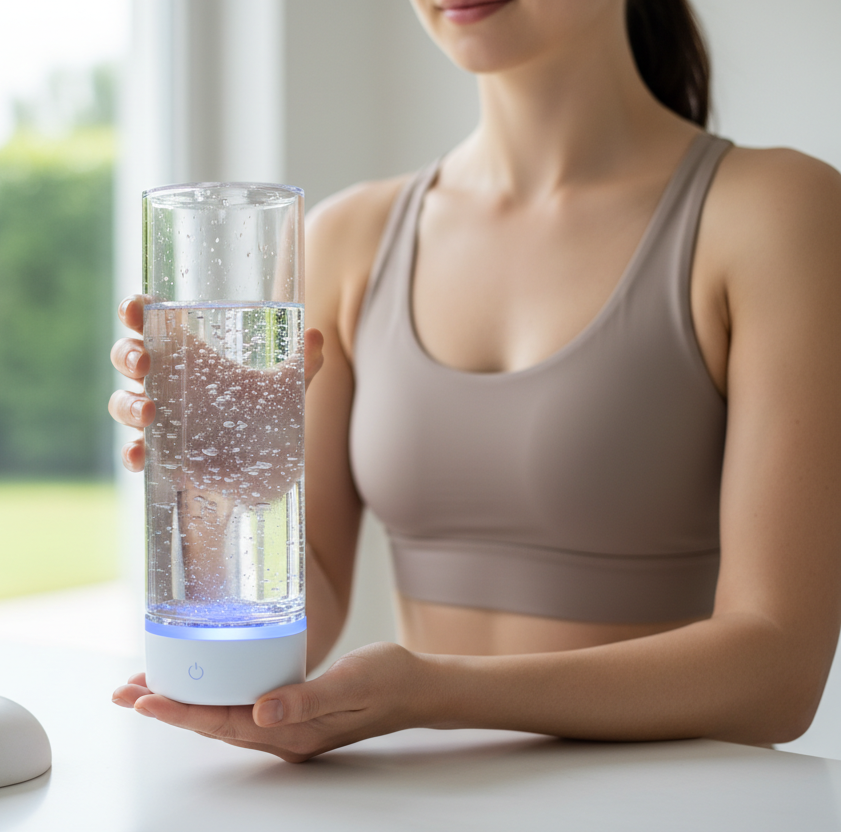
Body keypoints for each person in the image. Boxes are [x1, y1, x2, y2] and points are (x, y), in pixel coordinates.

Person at [108, 0, 841, 762]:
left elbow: (778, 673)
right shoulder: (348, 238)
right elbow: (306, 611)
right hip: (430, 803)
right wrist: (218, 481)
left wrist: (431, 695)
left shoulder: (776, 214)